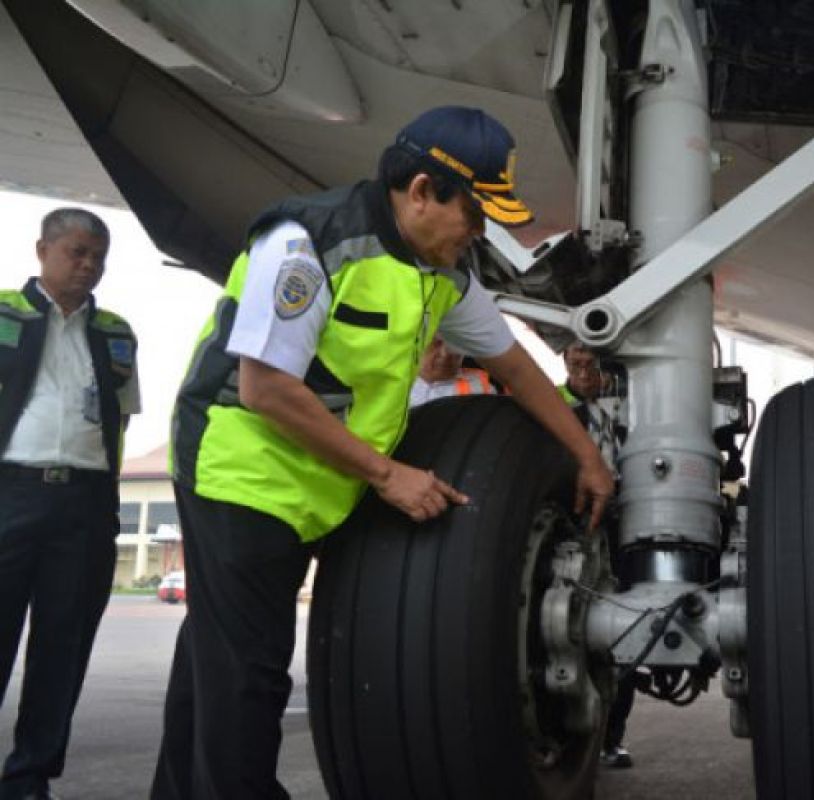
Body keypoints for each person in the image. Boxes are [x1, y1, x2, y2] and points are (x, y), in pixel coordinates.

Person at [152, 106, 614, 799]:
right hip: (241, 474)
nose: (481, 234)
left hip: (318, 483)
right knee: (248, 676)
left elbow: (515, 368)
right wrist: (386, 474)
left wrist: (586, 455)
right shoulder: (308, 243)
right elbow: (265, 388)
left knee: (214, 662)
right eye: (474, 213)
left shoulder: (440, 274)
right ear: (423, 190)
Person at [0, 208, 140, 800]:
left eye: (98, 257)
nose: (88, 266)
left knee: (62, 651)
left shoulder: (115, 332)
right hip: (11, 494)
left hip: (83, 505)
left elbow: (123, 419)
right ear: (42, 250)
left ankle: (29, 780)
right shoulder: (5, 313)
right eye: (77, 253)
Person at [556, 341, 634, 768]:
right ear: (565, 363)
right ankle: (573, 740)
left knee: (625, 627)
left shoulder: (626, 403)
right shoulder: (553, 403)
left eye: (590, 362)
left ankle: (612, 739)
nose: (583, 369)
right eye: (575, 362)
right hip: (579, 519)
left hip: (622, 520)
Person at [408, 335, 498, 408]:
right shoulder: (397, 379)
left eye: (454, 346)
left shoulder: (482, 388)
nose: (445, 354)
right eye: (436, 344)